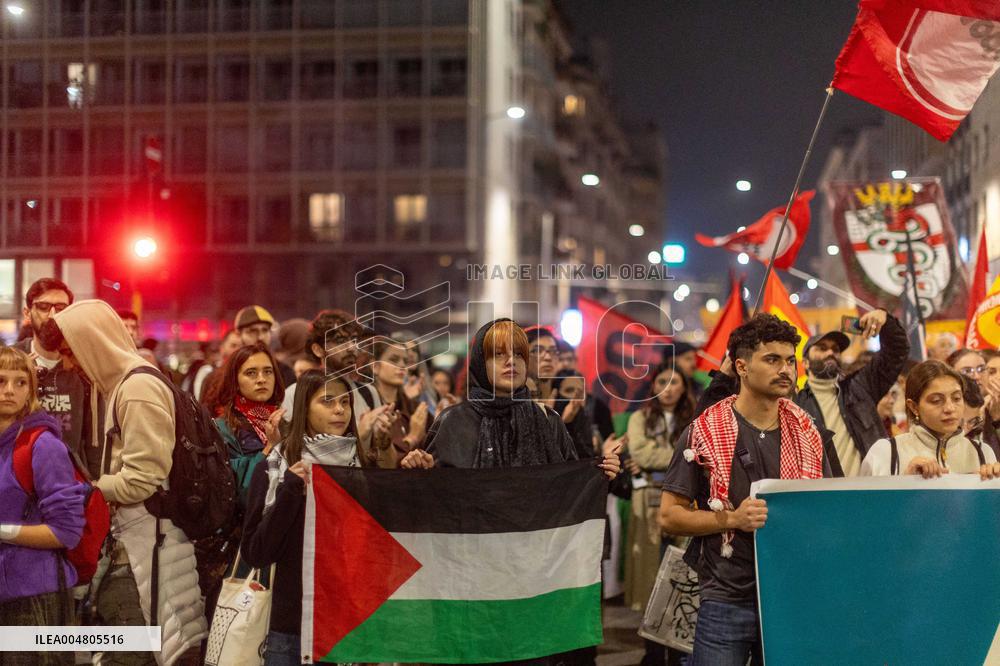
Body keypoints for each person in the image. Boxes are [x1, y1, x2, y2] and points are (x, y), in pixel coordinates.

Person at [37, 300, 207, 665]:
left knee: (133, 652)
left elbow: (143, 479)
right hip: (141, 541)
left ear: (93, 343)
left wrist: (90, 489)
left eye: (71, 353)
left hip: (145, 544)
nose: (69, 364)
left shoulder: (137, 389)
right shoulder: (126, 383)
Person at [659, 314, 829, 666]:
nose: (785, 369)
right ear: (741, 367)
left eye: (789, 360)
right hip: (726, 598)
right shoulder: (702, 432)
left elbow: (827, 508)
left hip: (792, 595)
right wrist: (731, 518)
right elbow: (669, 516)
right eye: (772, 359)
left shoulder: (809, 433)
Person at [241, 370, 363, 666]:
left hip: (343, 625)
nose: (339, 410)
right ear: (303, 408)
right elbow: (257, 552)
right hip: (289, 628)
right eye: (327, 401)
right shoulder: (275, 468)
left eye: (345, 403)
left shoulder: (360, 467)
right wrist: (290, 492)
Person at [401, 319, 621, 477]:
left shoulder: (548, 421)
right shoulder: (452, 422)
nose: (511, 361)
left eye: (518, 354)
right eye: (498, 354)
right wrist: (420, 470)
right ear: (480, 363)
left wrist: (601, 472)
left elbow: (571, 487)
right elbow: (435, 496)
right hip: (471, 539)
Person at [0, 347, 87, 666]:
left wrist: (3, 531)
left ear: (31, 392)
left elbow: (67, 531)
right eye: (1, 380)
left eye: (20, 382)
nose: (10, 390)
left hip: (35, 598)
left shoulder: (43, 445)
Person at [795, 309, 909, 476]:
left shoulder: (860, 387)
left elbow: (896, 352)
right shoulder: (796, 405)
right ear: (805, 363)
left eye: (835, 349)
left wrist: (886, 321)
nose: (830, 353)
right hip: (824, 495)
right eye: (821, 348)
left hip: (871, 490)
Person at [624, 363, 695, 613]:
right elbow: (642, 455)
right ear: (652, 385)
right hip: (648, 502)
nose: (667, 389)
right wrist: (683, 455)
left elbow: (699, 455)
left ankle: (675, 648)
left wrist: (663, 457)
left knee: (682, 568)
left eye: (674, 382)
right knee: (650, 572)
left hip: (684, 500)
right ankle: (652, 649)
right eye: (661, 381)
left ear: (684, 387)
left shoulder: (694, 419)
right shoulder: (639, 418)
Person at [14, 278, 100, 478]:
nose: (53, 315)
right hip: (18, 480)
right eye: (43, 307)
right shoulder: (11, 362)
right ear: (27, 313)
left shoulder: (84, 366)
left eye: (61, 308)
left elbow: (95, 438)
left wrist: (97, 487)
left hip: (70, 482)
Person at [860, 360, 999, 478]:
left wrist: (993, 485)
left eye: (957, 398)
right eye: (936, 400)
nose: (949, 408)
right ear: (914, 407)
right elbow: (866, 507)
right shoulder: (886, 453)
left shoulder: (982, 452)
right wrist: (905, 481)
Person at [214, 343, 286, 511]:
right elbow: (242, 493)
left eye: (268, 371)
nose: (262, 379)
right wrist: (270, 447)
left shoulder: (286, 422)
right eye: (251, 373)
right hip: (247, 529)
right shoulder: (222, 430)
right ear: (235, 380)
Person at [358, 339, 430, 468]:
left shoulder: (415, 408)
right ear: (375, 366)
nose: (402, 365)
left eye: (405, 361)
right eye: (394, 359)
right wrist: (412, 438)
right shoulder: (366, 407)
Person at [233, 305, 296, 388]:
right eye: (252, 331)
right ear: (238, 335)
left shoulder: (284, 372)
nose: (260, 337)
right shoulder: (228, 372)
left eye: (265, 330)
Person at [550, 369, 596, 460]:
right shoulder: (546, 418)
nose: (575, 396)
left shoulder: (584, 419)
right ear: (556, 394)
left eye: (580, 392)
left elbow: (585, 460)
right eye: (569, 390)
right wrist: (563, 424)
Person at [525, 327, 561, 405]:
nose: (548, 357)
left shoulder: (568, 402)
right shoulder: (513, 404)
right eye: (537, 351)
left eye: (553, 351)